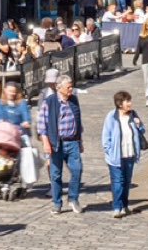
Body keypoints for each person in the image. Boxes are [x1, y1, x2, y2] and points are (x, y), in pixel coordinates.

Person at [37, 75, 85, 214]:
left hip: (72, 142)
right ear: (59, 88)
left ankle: (73, 198)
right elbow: (42, 125)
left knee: (77, 170)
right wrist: (46, 143)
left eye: (71, 86)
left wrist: (80, 141)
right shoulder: (50, 102)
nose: (71, 89)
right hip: (56, 143)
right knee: (56, 175)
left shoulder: (74, 100)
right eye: (68, 87)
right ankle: (57, 203)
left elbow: (78, 121)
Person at [101, 91, 145, 218]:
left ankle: (124, 205)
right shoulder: (111, 116)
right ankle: (117, 207)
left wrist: (139, 125)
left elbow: (142, 131)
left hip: (130, 154)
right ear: (120, 104)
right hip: (115, 156)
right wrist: (109, 150)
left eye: (130, 101)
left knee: (126, 182)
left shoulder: (133, 115)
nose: (130, 104)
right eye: (127, 101)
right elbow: (106, 136)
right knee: (118, 182)